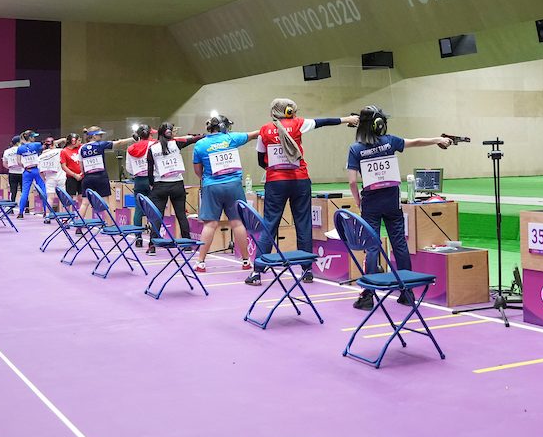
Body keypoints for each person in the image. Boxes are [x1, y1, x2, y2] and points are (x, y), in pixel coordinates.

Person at [346, 105, 452, 310]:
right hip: (392, 202)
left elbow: (352, 181)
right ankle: (407, 292)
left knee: (372, 247)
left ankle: (368, 295)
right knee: (399, 245)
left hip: (371, 203)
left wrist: (359, 201)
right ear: (379, 124)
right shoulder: (390, 141)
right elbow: (416, 142)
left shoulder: (356, 148)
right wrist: (437, 140)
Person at [250, 98, 358, 285]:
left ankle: (257, 271)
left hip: (275, 182)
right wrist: (347, 119)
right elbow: (324, 122)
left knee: (269, 223)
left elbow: (261, 160)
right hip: (300, 180)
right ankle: (307, 270)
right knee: (303, 223)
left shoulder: (264, 130)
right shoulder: (299, 124)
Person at [190, 115, 260, 274]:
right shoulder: (231, 138)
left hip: (211, 186)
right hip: (234, 186)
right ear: (224, 127)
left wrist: (209, 179)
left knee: (210, 224)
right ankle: (246, 261)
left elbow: (197, 171)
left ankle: (200, 262)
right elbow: (255, 134)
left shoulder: (200, 145)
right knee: (237, 223)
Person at [146, 122, 203, 255]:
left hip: (160, 184)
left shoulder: (152, 148)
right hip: (177, 184)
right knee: (181, 215)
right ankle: (187, 244)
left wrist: (152, 184)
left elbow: (149, 170)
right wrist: (205, 135)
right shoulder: (177, 143)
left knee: (157, 216)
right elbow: (193, 139)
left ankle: (152, 245)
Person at [78, 126, 135, 221]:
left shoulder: (82, 148)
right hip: (101, 177)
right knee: (105, 203)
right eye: (99, 135)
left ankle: (78, 227)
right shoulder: (100, 145)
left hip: (88, 178)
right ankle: (110, 225)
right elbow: (119, 143)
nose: (101, 137)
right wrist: (132, 139)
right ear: (94, 136)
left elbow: (81, 167)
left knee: (84, 203)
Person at [15, 130, 48, 220]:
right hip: (37, 170)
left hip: (27, 171)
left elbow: (18, 162)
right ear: (30, 137)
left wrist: (25, 167)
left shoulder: (20, 148)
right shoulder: (36, 145)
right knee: (43, 190)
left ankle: (21, 213)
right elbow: (45, 150)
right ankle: (46, 212)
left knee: (25, 192)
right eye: (33, 136)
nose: (34, 138)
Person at [38, 137, 68, 224]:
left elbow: (40, 172)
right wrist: (62, 140)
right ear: (52, 145)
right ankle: (64, 218)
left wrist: (45, 179)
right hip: (61, 177)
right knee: (62, 198)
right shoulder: (60, 151)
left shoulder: (40, 157)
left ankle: (47, 216)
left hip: (49, 179)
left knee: (50, 198)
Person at [59, 133, 84, 209]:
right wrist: (74, 175)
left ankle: (81, 216)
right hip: (71, 177)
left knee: (81, 197)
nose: (80, 142)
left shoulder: (80, 148)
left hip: (81, 176)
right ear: (73, 141)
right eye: (79, 140)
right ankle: (67, 215)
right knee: (69, 197)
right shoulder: (64, 151)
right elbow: (64, 166)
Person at [2, 135, 24, 209]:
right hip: (22, 172)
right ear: (18, 142)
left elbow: (4, 164)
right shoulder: (22, 149)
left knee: (13, 191)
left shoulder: (7, 151)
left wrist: (12, 167)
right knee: (24, 191)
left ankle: (11, 208)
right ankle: (25, 208)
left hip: (12, 173)